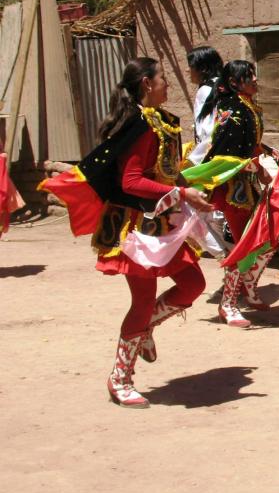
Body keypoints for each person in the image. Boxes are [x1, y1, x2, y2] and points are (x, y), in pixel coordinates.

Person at [40, 57, 212, 407]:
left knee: (194, 284)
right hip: (136, 229)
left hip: (162, 222)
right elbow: (130, 181)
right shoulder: (139, 125)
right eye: (163, 77)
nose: (168, 83)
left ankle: (145, 329)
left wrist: (187, 187)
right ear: (147, 83)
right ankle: (120, 378)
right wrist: (179, 193)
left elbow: (165, 170)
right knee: (143, 300)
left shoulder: (162, 121)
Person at [199, 60, 274, 327]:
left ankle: (250, 289)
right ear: (234, 83)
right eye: (248, 76)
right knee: (243, 245)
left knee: (267, 237)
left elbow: (247, 141)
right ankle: (228, 304)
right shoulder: (232, 109)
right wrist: (257, 165)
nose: (255, 79)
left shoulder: (246, 107)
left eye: (254, 75)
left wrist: (265, 151)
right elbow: (227, 152)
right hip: (234, 188)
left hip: (247, 183)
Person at [185, 45, 224, 166]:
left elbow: (207, 130)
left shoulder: (206, 91)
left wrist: (194, 161)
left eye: (191, 66)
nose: (188, 70)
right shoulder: (222, 85)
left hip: (211, 157)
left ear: (202, 68)